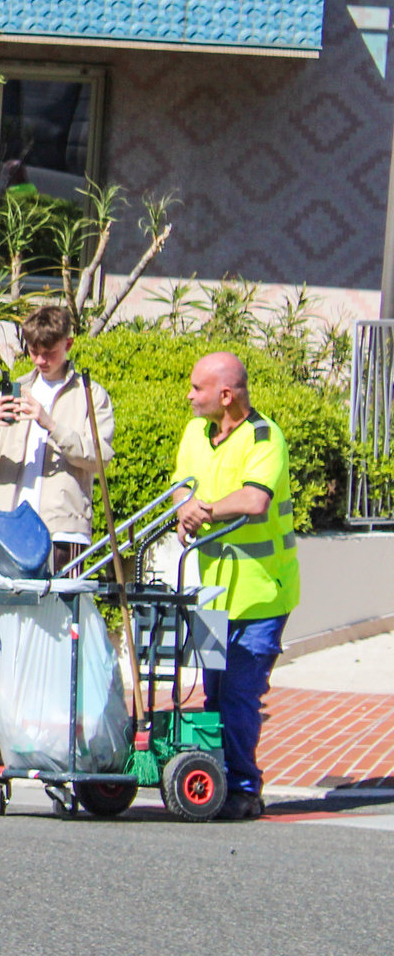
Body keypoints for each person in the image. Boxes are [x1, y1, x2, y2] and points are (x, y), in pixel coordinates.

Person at [0, 304, 115, 770]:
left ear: (68, 344)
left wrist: (50, 423)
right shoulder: (13, 390)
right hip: (7, 532)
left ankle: (54, 740)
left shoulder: (90, 395)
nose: (40, 359)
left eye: (48, 350)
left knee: (57, 637)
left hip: (62, 530)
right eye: (33, 350)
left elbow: (99, 456)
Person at [173, 350, 299, 821]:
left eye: (197, 389)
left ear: (225, 395)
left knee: (241, 693)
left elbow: (254, 499)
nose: (189, 396)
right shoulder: (194, 434)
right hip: (212, 594)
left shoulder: (266, 437)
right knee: (213, 692)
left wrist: (202, 508)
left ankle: (245, 789)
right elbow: (180, 485)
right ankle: (218, 781)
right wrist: (185, 502)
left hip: (262, 595)